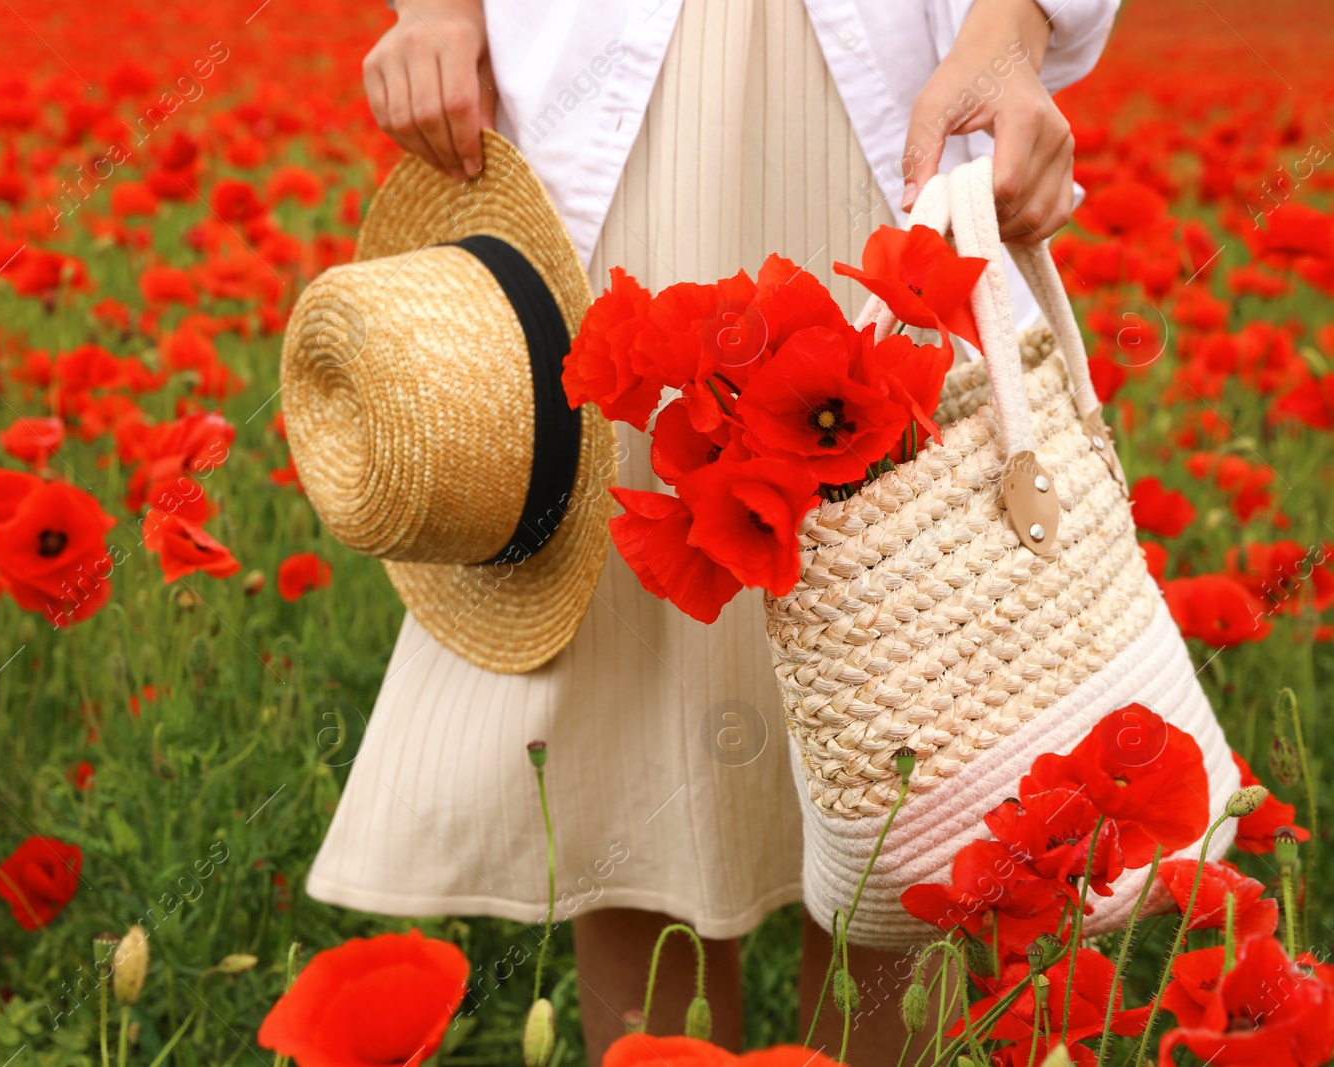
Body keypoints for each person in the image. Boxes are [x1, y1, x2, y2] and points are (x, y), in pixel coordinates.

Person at [312, 0, 1118, 1061]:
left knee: (917, 710)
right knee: (639, 712)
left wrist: (1012, 29)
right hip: (611, 79)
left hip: (887, 79)